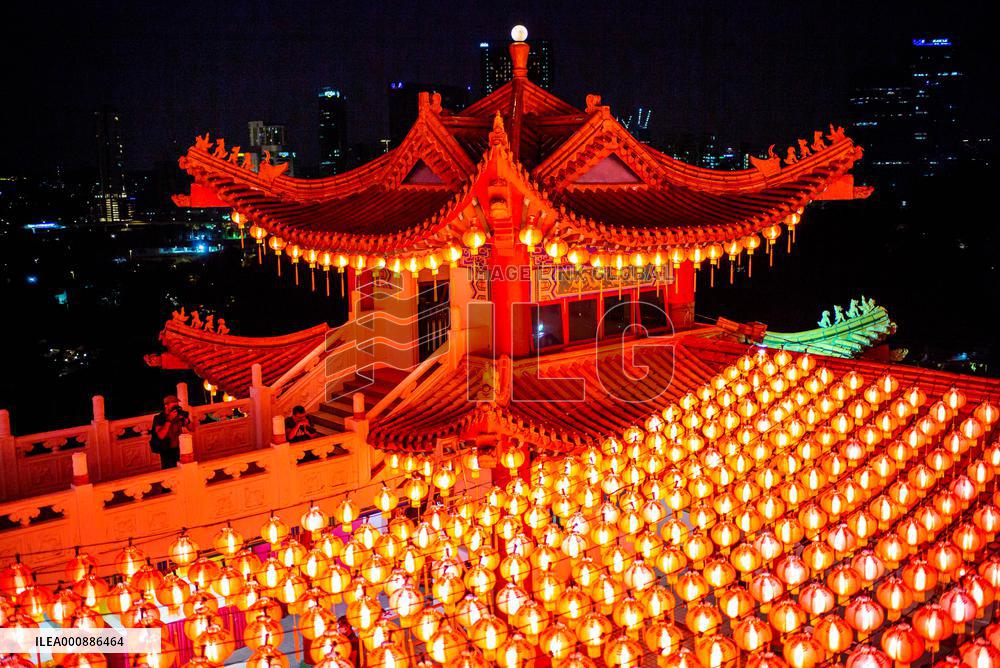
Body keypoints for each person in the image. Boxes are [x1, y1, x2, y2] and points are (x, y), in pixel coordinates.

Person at [149, 395, 193, 468]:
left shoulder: (179, 415)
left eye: (177, 404)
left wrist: (187, 420)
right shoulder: (159, 418)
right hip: (166, 450)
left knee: (183, 469)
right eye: (173, 405)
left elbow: (192, 429)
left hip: (180, 448)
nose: (176, 407)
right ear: (166, 406)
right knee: (169, 471)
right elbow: (161, 436)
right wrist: (169, 419)